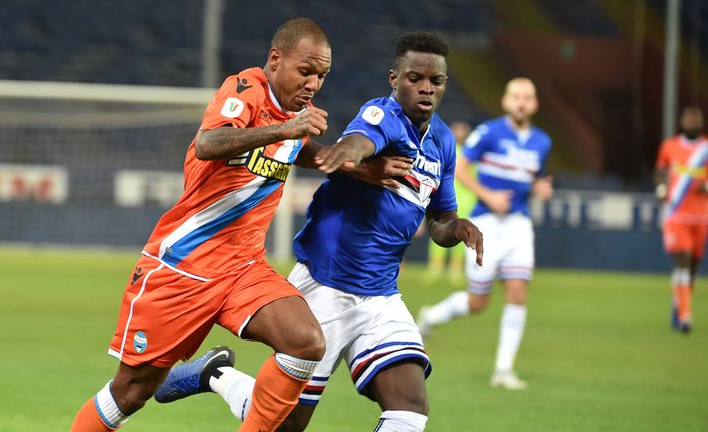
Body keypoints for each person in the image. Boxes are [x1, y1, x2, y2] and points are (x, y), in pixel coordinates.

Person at [154, 32, 483, 432]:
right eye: (415, 78)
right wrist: (349, 154)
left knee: (410, 407)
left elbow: (441, 220)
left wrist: (459, 227)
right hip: (325, 287)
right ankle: (214, 375)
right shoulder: (383, 117)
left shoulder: (444, 142)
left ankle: (213, 375)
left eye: (436, 81)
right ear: (394, 79)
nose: (426, 88)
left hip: (381, 296)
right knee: (285, 423)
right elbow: (363, 139)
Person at [70, 18, 372, 432]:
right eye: (306, 71)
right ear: (274, 59)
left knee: (307, 342)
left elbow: (299, 149)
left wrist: (364, 168)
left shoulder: (293, 116)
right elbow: (209, 142)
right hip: (182, 268)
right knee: (131, 393)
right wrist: (285, 129)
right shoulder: (245, 88)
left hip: (243, 269)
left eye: (322, 75)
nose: (314, 84)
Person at [416, 77, 553, 390]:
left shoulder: (542, 142)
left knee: (518, 292)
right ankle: (431, 317)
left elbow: (534, 179)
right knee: (479, 302)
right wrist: (489, 196)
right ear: (506, 101)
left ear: (534, 104)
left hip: (518, 224)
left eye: (527, 97)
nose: (521, 101)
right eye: (516, 95)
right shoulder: (489, 132)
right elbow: (461, 169)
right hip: (486, 223)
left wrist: (539, 189)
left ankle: (503, 370)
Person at [654, 106, 708, 334]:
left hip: (701, 215)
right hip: (676, 214)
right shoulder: (669, 146)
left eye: (696, 118)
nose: (692, 121)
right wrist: (661, 187)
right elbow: (661, 169)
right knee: (682, 260)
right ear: (681, 121)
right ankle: (685, 316)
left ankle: (679, 303)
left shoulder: (705, 148)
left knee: (694, 266)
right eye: (689, 117)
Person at [425, 120, 475, 282]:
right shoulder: (445, 150)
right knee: (439, 230)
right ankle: (435, 267)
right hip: (445, 196)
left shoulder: (470, 154)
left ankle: (456, 269)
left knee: (461, 234)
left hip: (466, 199)